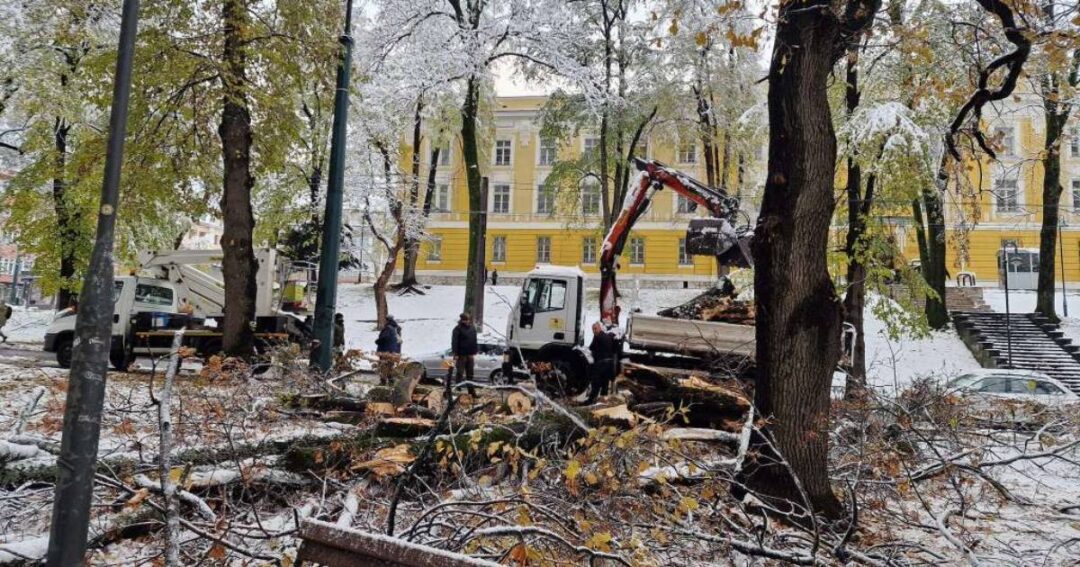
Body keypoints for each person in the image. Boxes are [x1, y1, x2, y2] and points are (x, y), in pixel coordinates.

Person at [585, 321, 616, 404]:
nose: (594, 331)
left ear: (599, 328)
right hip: (609, 364)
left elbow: (591, 348)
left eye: (595, 329)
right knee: (605, 383)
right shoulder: (608, 336)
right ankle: (603, 401)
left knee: (596, 383)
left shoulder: (597, 337)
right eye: (593, 329)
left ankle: (590, 401)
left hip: (601, 364)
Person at [450, 312, 478, 397]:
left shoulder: (472, 328)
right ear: (461, 320)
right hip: (461, 354)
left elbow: (474, 341)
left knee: (470, 374)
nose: (466, 321)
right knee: (460, 373)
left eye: (468, 319)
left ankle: (471, 392)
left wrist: (474, 351)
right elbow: (454, 342)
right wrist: (455, 353)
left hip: (470, 354)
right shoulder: (457, 329)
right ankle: (457, 390)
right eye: (465, 320)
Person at [375, 316, 401, 385]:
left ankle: (383, 382)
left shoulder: (388, 328)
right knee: (390, 366)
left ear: (387, 320)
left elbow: (384, 338)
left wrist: (377, 341)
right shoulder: (396, 328)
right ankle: (391, 380)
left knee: (383, 366)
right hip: (394, 351)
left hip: (385, 351)